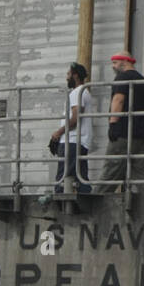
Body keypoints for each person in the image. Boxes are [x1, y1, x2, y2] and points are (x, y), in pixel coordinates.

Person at [95, 53, 144, 193]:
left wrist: (113, 125)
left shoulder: (122, 77)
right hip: (141, 135)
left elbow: (118, 100)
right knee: (141, 174)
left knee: (111, 171)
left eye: (115, 63)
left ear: (124, 61)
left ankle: (94, 204)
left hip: (123, 133)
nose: (113, 66)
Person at [50, 62, 94, 194]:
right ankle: (86, 198)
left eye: (68, 74)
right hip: (80, 141)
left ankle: (58, 203)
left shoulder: (77, 92)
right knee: (80, 175)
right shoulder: (84, 92)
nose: (66, 77)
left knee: (63, 175)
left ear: (75, 75)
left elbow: (75, 118)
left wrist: (58, 133)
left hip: (72, 141)